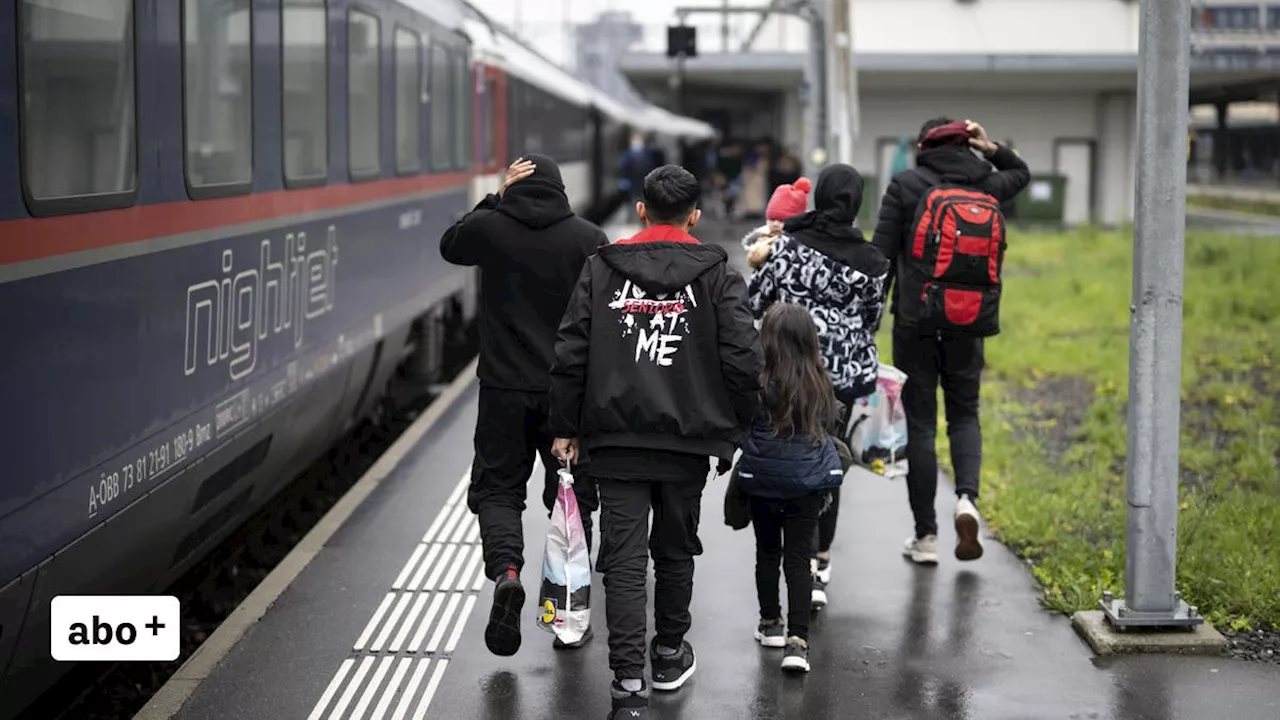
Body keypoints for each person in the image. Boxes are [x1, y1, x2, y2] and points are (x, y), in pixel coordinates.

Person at [548, 165, 761, 720]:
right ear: (694, 215)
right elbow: (743, 357)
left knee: (622, 559)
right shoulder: (717, 273)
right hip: (689, 441)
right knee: (675, 548)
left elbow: (571, 351)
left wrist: (565, 426)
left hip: (614, 439)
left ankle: (626, 683)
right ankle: (668, 653)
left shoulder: (601, 268)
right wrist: (735, 425)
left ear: (642, 210)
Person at [439, 154, 608, 657]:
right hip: (566, 395)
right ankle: (569, 617)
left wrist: (495, 197)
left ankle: (507, 573)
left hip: (503, 391)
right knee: (571, 502)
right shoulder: (588, 238)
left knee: (497, 490)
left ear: (515, 188)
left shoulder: (492, 229)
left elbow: (451, 244)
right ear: (561, 190)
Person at [870, 118, 1030, 565]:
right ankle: (966, 500)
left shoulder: (905, 185)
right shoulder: (987, 185)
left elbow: (881, 259)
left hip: (916, 322)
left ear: (923, 145)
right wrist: (992, 148)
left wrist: (870, 319)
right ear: (968, 143)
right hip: (970, 321)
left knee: (920, 426)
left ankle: (926, 537)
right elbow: (1023, 173)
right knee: (965, 415)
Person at [748, 163, 889, 608]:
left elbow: (755, 299)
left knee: (785, 457)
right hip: (843, 381)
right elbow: (874, 321)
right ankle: (819, 560)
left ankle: (787, 557)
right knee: (830, 465)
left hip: (788, 371)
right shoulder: (873, 261)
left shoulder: (789, 246)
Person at [737, 303, 845, 674]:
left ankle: (771, 624)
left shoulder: (757, 380)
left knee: (766, 552)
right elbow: (831, 421)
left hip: (762, 481)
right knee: (799, 559)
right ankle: (798, 643)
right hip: (807, 485)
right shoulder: (818, 380)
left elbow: (742, 422)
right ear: (809, 340)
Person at [740, 177, 812, 269]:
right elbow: (752, 261)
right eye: (772, 219)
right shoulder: (763, 236)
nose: (775, 224)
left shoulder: (802, 242)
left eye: (782, 220)